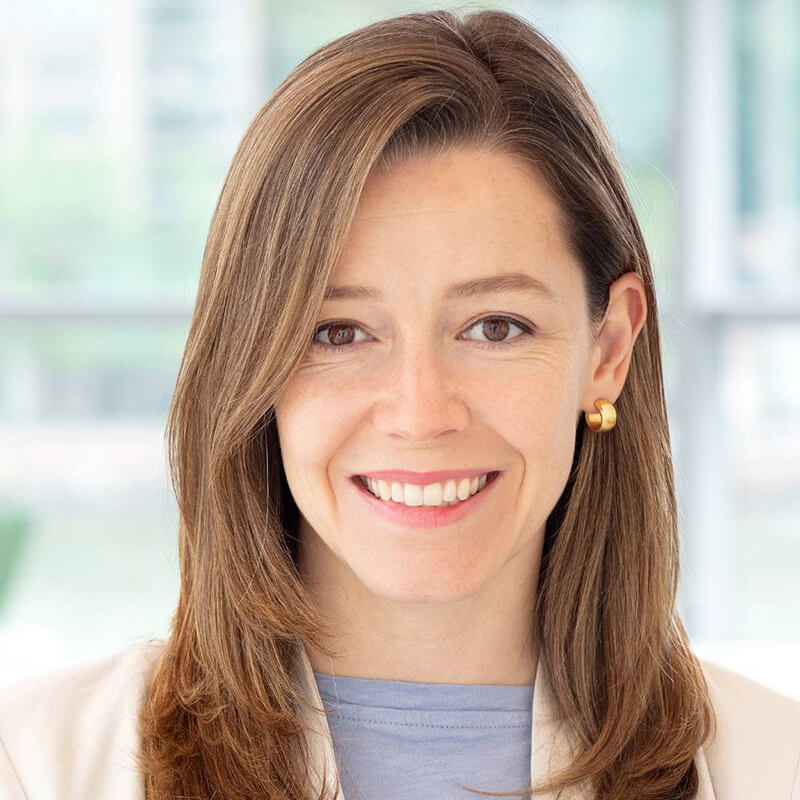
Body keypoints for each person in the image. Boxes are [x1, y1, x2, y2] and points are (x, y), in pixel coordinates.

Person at [1, 8, 798, 800]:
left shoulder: (778, 765)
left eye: (495, 327)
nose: (420, 413)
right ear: (252, 356)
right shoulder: (33, 767)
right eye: (339, 332)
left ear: (609, 350)